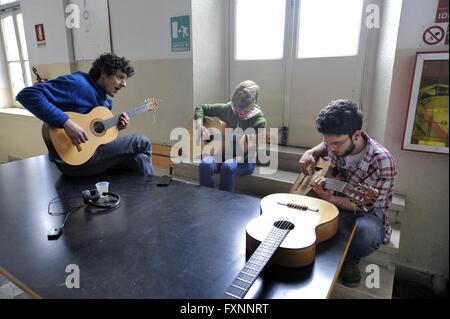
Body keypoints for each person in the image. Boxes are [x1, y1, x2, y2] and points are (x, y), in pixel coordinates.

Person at [298, 99, 397, 288]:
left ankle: (350, 258)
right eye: (328, 143)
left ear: (357, 135)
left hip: (367, 212)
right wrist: (310, 152)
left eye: (336, 143)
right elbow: (325, 145)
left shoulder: (382, 161)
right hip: (337, 199)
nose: (331, 149)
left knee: (364, 233)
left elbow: (366, 204)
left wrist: (331, 198)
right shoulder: (334, 143)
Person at [16, 53, 153, 177]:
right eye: (120, 77)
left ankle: (149, 198)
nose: (124, 84)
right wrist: (67, 123)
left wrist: (117, 127)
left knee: (140, 160)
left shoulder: (104, 101)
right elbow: (27, 95)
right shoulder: (77, 83)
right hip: (73, 163)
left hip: (91, 158)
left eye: (125, 79)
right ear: (104, 73)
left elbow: (96, 137)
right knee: (142, 141)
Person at [194, 80, 266, 192]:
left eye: (245, 110)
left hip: (244, 161)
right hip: (222, 154)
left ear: (254, 103)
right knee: (205, 164)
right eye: (237, 109)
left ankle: (225, 204)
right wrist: (199, 126)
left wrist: (248, 150)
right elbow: (201, 108)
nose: (240, 113)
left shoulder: (259, 121)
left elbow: (260, 149)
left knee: (228, 167)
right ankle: (205, 200)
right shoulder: (227, 109)